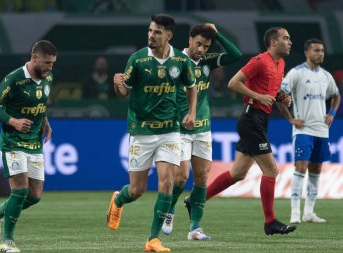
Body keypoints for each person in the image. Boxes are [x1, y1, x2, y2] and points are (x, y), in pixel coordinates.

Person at [191, 27, 297, 235]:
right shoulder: (259, 61)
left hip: (261, 119)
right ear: (273, 43)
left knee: (238, 173)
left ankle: (196, 200)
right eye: (286, 38)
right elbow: (233, 83)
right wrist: (258, 96)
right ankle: (270, 222)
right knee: (271, 171)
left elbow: (270, 92)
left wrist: (280, 98)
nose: (290, 42)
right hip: (251, 119)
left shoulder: (281, 63)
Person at [108, 14, 197, 252]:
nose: (151, 35)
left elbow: (191, 86)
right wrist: (118, 85)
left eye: (157, 32)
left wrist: (191, 112)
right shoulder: (137, 60)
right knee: (136, 190)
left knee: (167, 183)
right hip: (141, 130)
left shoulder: (180, 60)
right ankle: (118, 199)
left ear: (168, 35)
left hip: (170, 131)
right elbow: (124, 93)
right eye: (150, 31)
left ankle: (152, 239)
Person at [161, 23, 242, 240]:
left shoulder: (206, 61)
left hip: (203, 128)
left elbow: (236, 54)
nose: (202, 50)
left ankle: (194, 228)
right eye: (198, 44)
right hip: (180, 129)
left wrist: (218, 34)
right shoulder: (175, 60)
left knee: (202, 178)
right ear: (189, 40)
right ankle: (169, 209)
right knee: (180, 178)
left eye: (206, 46)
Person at [0, 40, 57, 252]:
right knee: (20, 190)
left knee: (34, 196)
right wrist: (13, 121)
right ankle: (7, 242)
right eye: (46, 63)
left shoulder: (48, 78)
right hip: (12, 142)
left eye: (53, 63)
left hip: (34, 142)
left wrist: (45, 121)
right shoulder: (14, 79)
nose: (50, 68)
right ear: (34, 58)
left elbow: (40, 102)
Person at [277, 39, 340, 224]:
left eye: (322, 50)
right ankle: (295, 212)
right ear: (306, 53)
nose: (320, 53)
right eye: (316, 50)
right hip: (303, 130)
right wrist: (290, 119)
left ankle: (309, 212)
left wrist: (332, 113)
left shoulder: (326, 76)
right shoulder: (296, 73)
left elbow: (336, 95)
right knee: (300, 168)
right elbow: (280, 96)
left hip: (322, 131)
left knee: (316, 170)